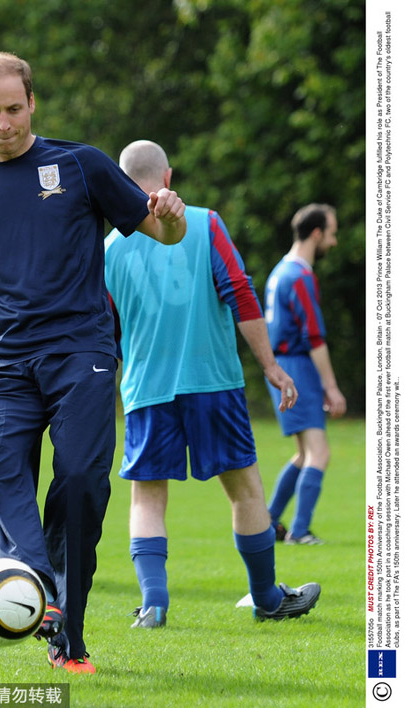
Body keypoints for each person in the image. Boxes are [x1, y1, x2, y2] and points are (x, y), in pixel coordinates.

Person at [0, 53, 186, 674]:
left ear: (32, 104)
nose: (5, 124)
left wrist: (173, 219)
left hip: (82, 355)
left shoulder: (80, 164)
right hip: (3, 367)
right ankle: (37, 585)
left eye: (14, 109)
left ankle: (66, 640)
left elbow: (160, 233)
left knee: (78, 485)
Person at [104, 140, 321, 629]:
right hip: (212, 383)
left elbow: (106, 334)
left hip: (144, 391)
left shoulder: (109, 248)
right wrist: (271, 365)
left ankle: (154, 603)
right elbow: (241, 294)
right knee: (245, 490)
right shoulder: (205, 222)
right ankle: (267, 597)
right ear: (168, 175)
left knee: (147, 497)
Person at [264, 203, 347, 545]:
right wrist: (332, 387)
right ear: (317, 233)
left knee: (303, 453)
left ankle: (268, 522)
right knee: (319, 452)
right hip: (296, 366)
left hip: (281, 365)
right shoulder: (300, 276)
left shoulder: (279, 271)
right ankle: (299, 531)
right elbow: (314, 338)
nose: (334, 241)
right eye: (332, 233)